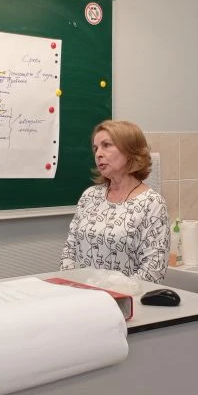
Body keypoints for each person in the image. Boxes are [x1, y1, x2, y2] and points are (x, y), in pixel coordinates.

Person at [60, 120, 171, 283]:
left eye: (106, 145)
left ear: (130, 151)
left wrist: (114, 292)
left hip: (127, 297)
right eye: (95, 148)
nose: (98, 154)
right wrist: (72, 285)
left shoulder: (152, 203)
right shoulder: (90, 196)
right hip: (83, 294)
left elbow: (153, 270)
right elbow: (70, 250)